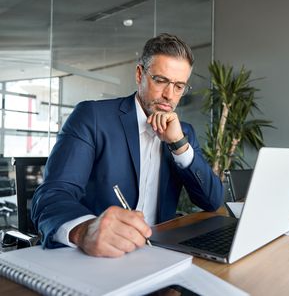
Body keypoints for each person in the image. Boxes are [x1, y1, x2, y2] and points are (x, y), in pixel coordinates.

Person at [31, 33, 224, 258]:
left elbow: (212, 201)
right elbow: (51, 195)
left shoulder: (184, 132)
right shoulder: (92, 117)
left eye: (179, 86)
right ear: (140, 74)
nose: (169, 95)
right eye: (160, 80)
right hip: (100, 256)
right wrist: (85, 230)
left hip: (158, 254)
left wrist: (179, 145)